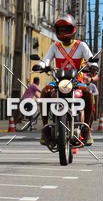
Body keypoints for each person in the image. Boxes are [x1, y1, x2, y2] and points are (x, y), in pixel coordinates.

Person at [38, 14, 95, 146]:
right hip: (59, 82)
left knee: (88, 94)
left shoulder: (82, 46)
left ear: (73, 30)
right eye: (61, 29)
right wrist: (42, 66)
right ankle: (45, 129)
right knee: (45, 92)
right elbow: (46, 59)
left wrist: (94, 66)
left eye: (66, 29)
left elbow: (90, 59)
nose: (63, 32)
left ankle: (86, 129)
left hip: (76, 82)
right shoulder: (55, 46)